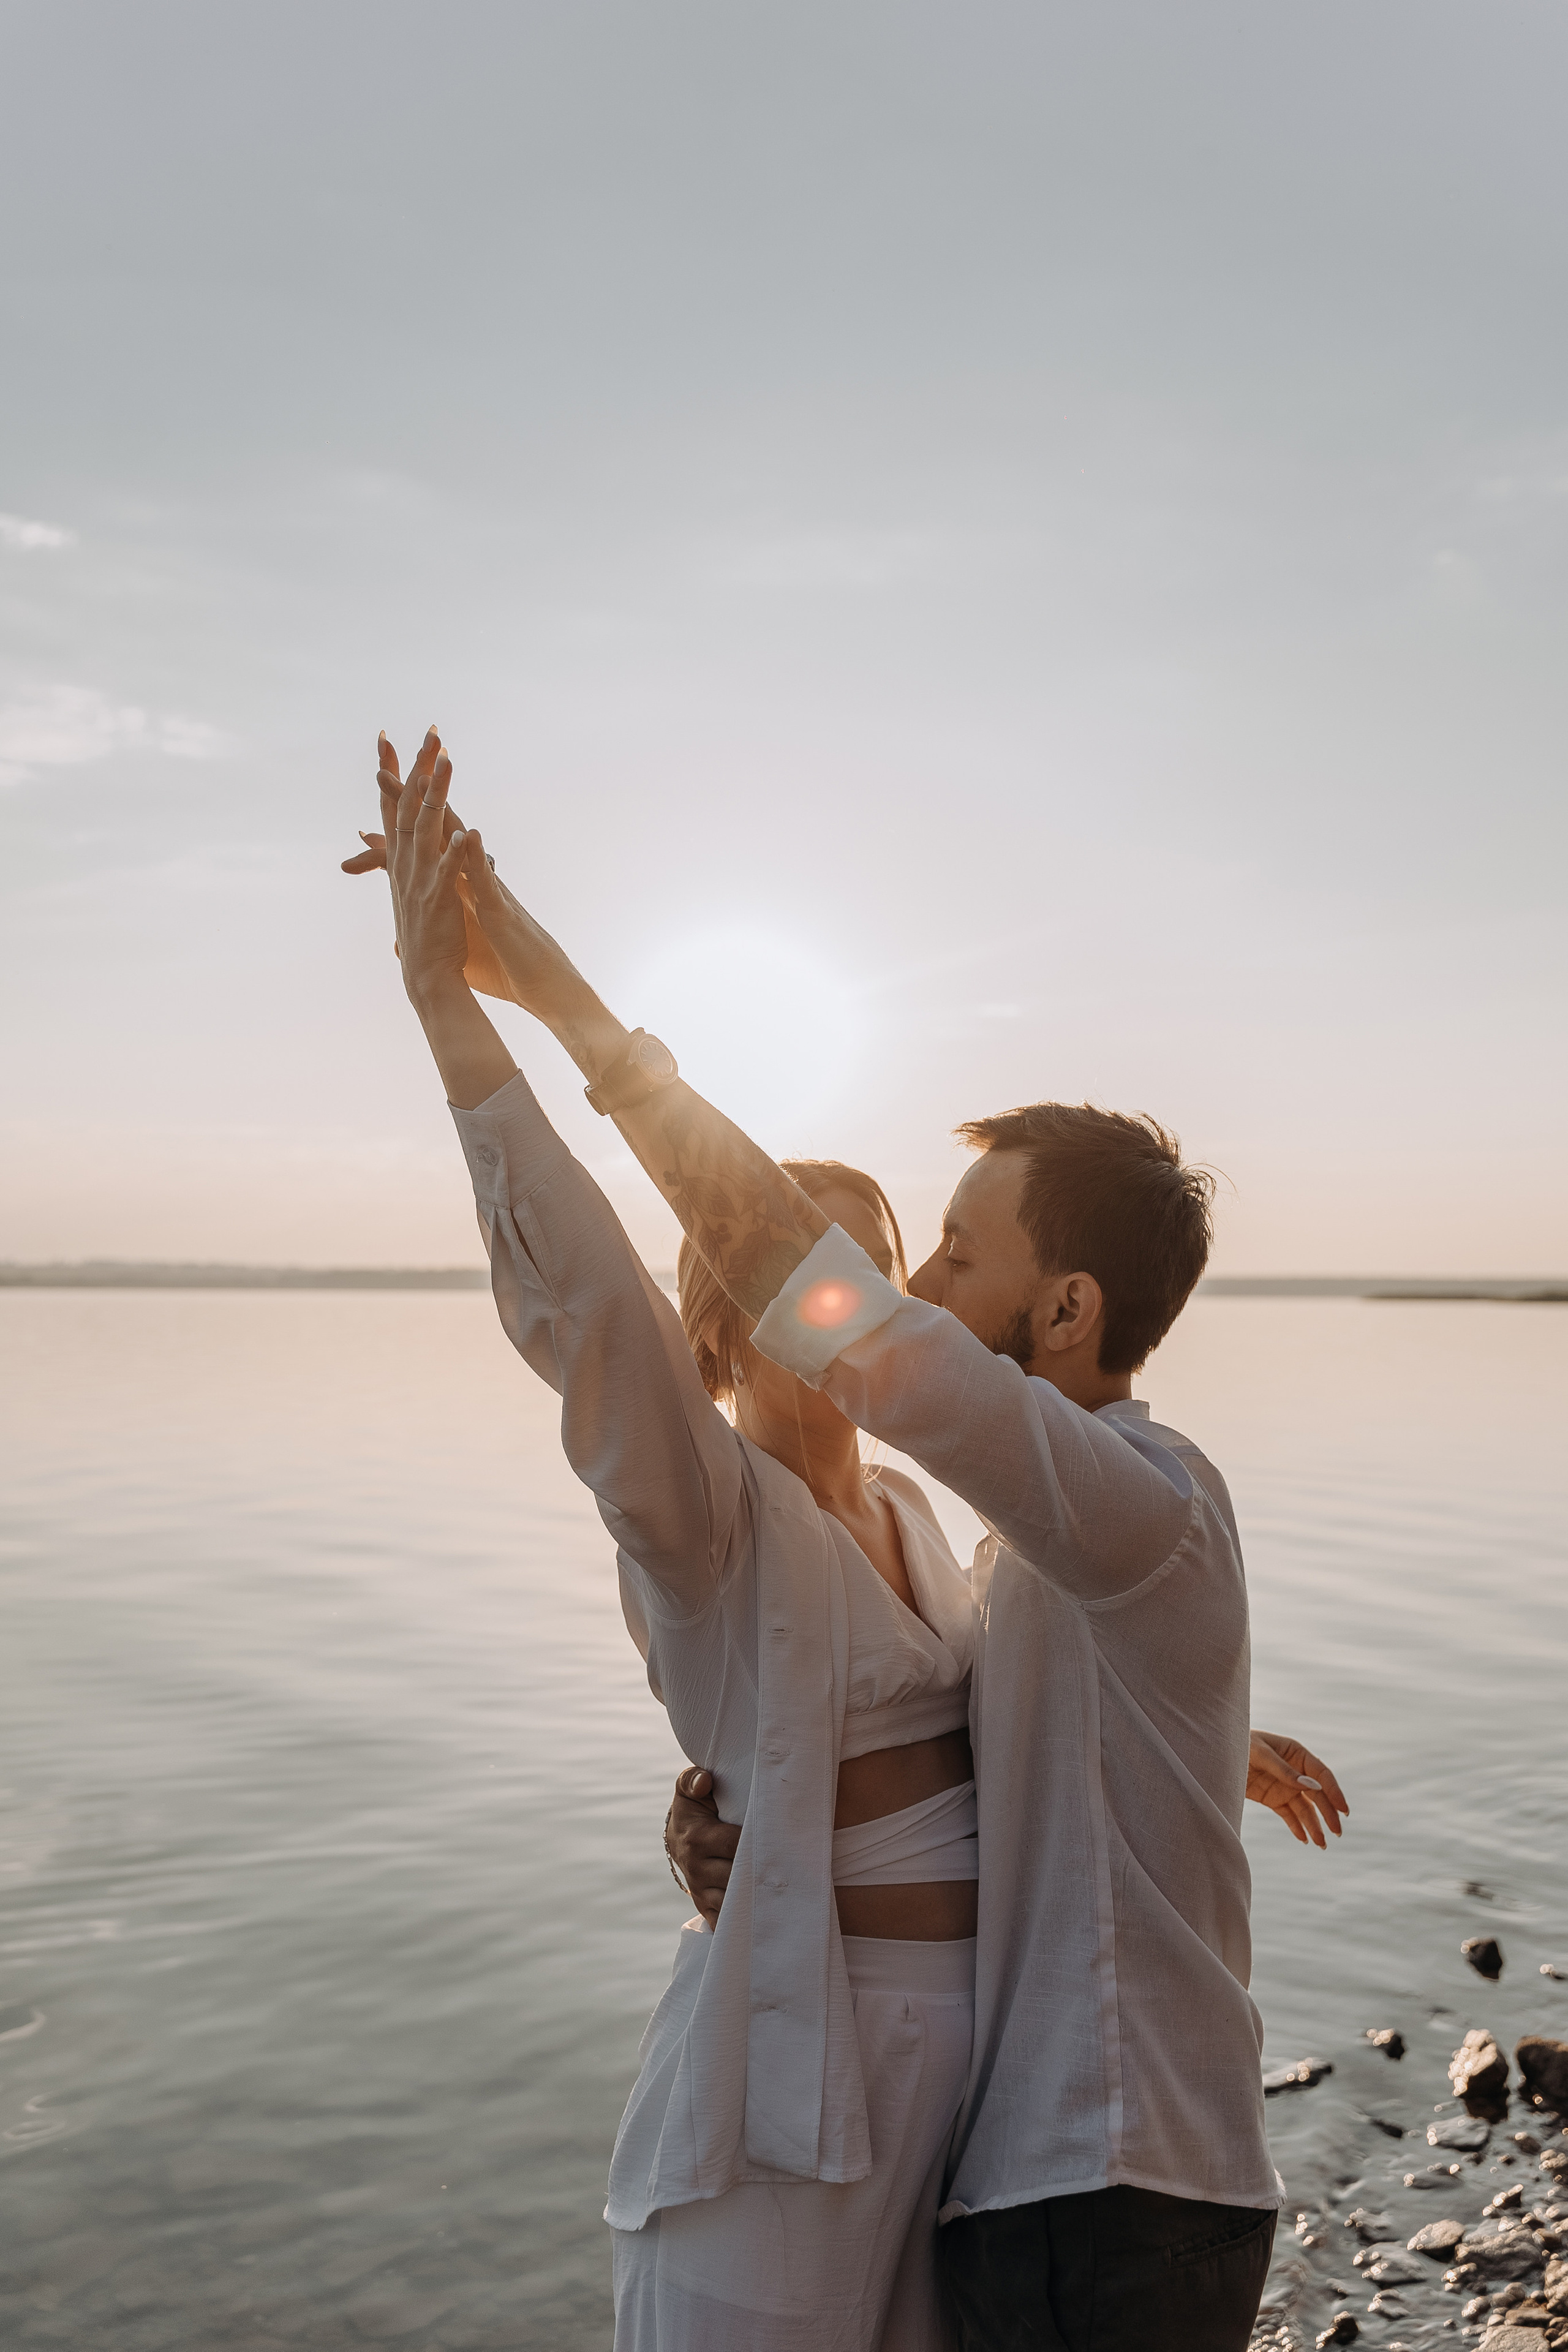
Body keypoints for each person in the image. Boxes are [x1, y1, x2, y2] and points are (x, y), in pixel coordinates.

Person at [345, 728, 1349, 2352]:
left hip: (1064, 2164)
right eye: (890, 1266)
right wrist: (457, 1017)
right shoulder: (844, 1529)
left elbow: (909, 1406)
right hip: (904, 2136)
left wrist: (569, 1004)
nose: (914, 1293)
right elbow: (595, 1313)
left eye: (940, 1257)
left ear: (1067, 1304)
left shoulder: (1043, 1508)